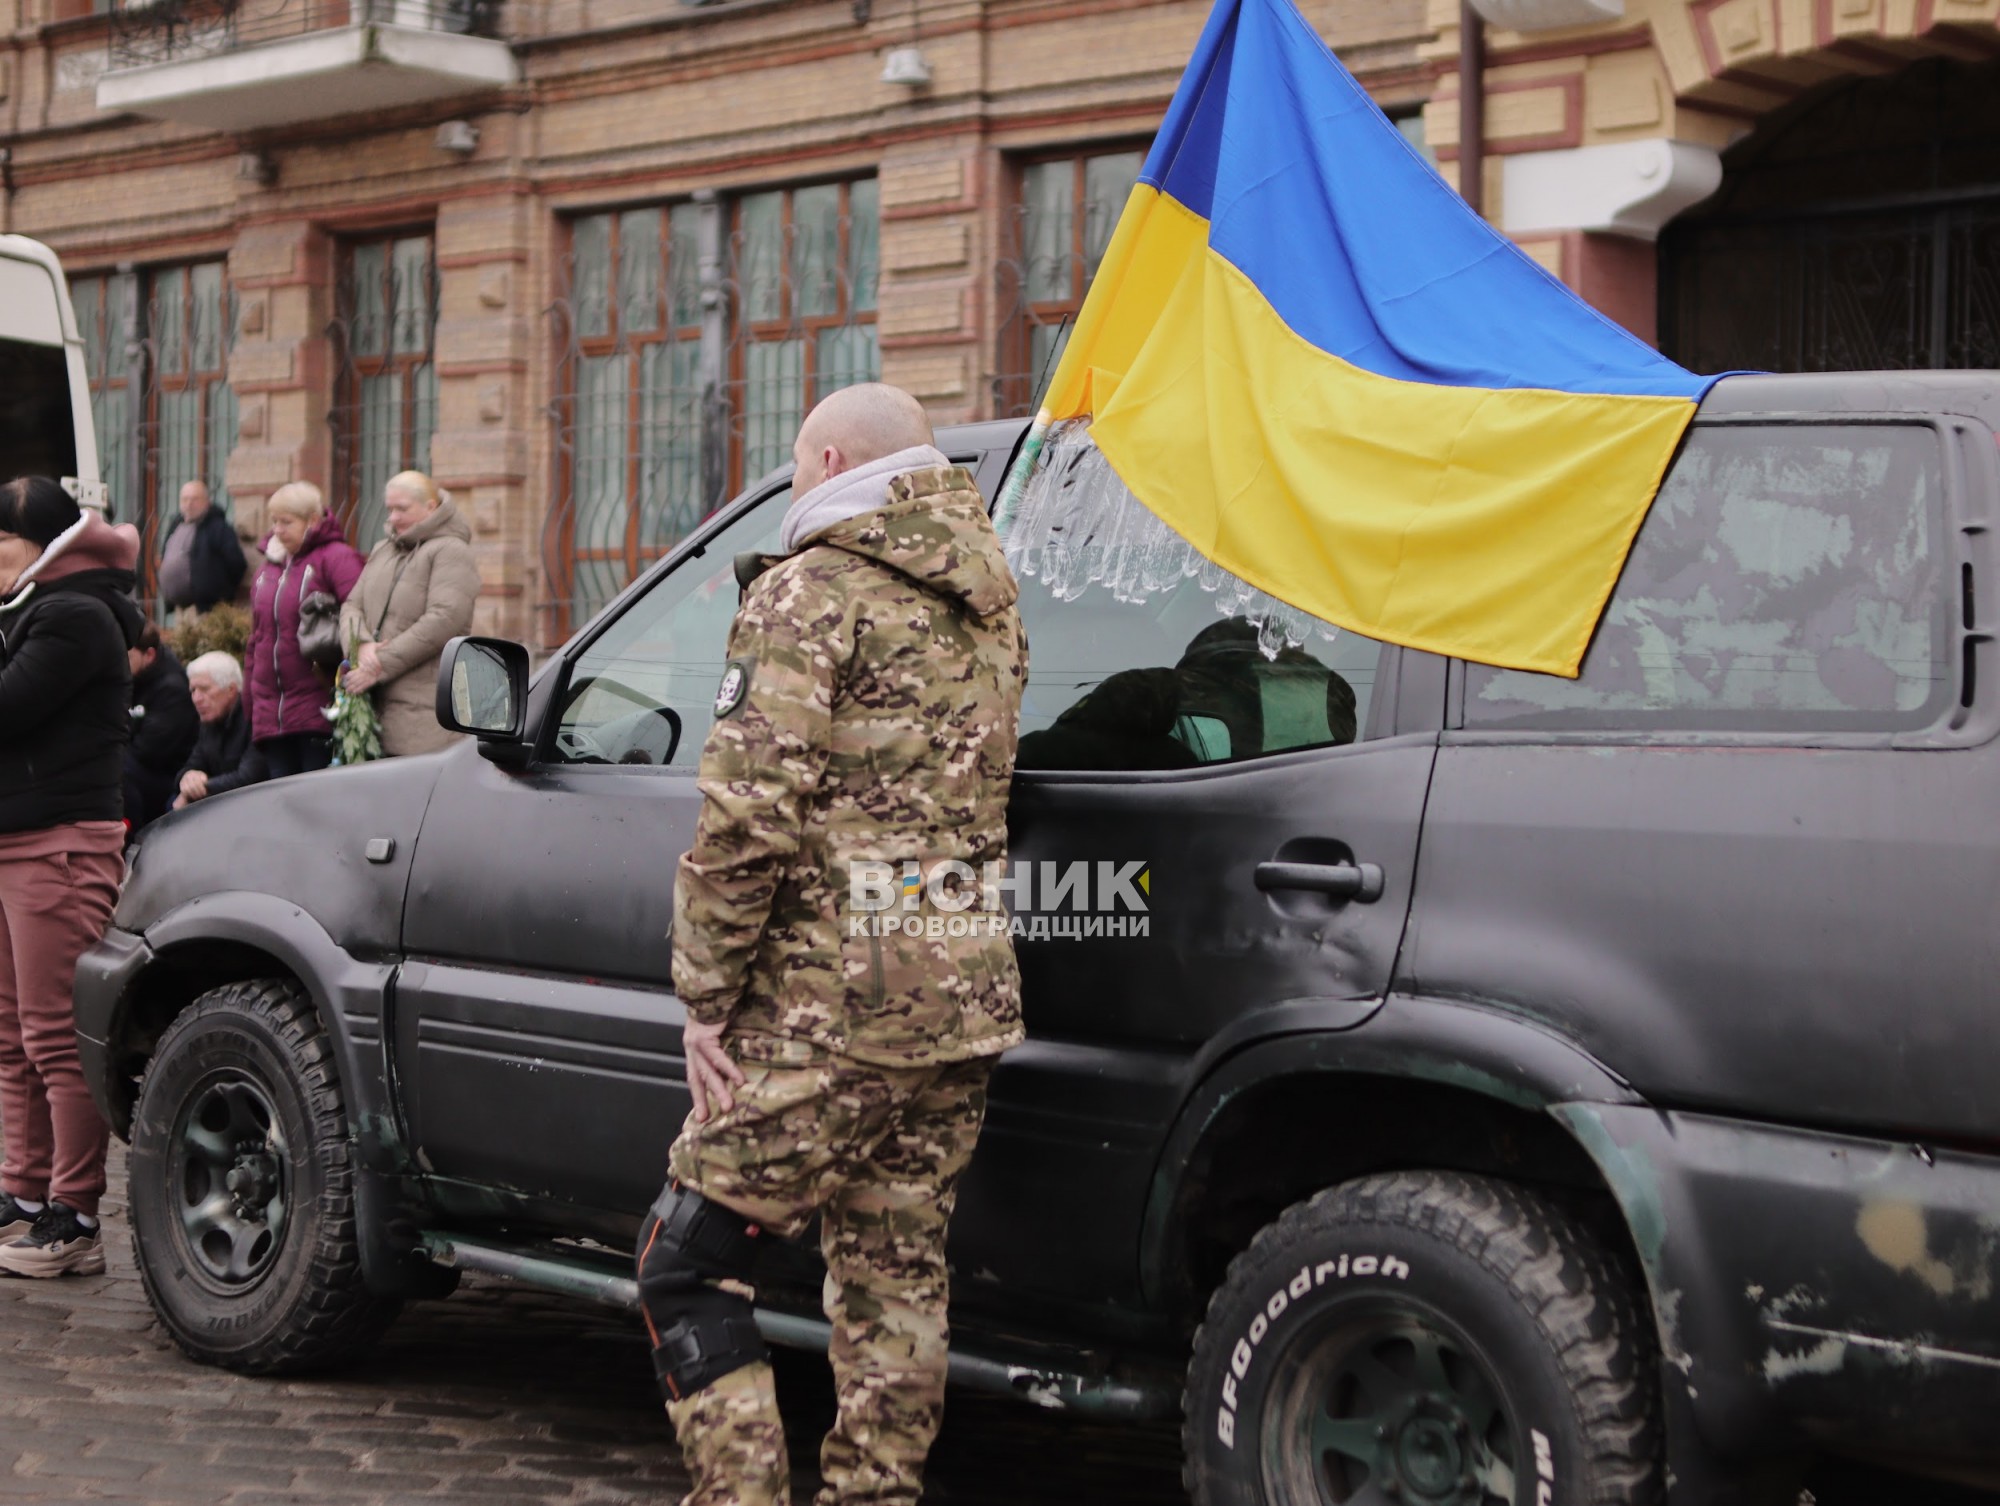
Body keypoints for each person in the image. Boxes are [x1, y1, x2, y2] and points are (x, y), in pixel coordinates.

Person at [636, 384, 1028, 1506]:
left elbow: (748, 815)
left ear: (824, 460)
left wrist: (703, 994)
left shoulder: (810, 590)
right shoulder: (990, 596)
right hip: (957, 990)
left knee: (685, 1264)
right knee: (893, 1275)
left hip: (829, 1007)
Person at [0, 478, 144, 1277]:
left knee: (56, 1036)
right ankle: (23, 1195)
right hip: (16, 839)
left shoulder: (74, 616)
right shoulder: (34, 611)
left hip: (57, 847)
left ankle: (76, 1214)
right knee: (13, 1034)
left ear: (41, 545)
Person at [339, 470, 479, 758]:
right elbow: (351, 605)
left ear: (430, 507)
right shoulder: (383, 550)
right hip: (374, 708)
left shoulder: (451, 551)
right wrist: (361, 644)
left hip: (423, 715)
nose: (393, 517)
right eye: (390, 509)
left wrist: (377, 665)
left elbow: (444, 619)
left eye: (402, 508)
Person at [244, 482, 365, 779]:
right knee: (280, 802)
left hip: (317, 705)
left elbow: (359, 615)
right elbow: (256, 639)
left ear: (312, 521)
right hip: (270, 713)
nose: (277, 530)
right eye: (274, 521)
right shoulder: (267, 568)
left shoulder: (336, 557)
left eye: (287, 522)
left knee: (314, 797)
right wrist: (251, 703)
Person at [122, 622, 199, 834]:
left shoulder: (172, 688)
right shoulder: (130, 678)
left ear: (149, 655)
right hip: (140, 763)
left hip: (166, 775)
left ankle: (134, 838)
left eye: (127, 658)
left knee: (119, 770)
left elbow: (150, 750)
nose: (120, 663)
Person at [174, 652, 265, 808]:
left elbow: (249, 777)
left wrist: (200, 788)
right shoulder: (210, 721)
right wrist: (188, 777)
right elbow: (194, 763)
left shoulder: (255, 718)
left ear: (231, 690)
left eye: (204, 689)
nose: (196, 698)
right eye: (193, 690)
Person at [156, 480, 247, 620]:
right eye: (185, 499)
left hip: (205, 611)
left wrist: (218, 591)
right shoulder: (176, 524)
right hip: (180, 609)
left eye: (195, 499)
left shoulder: (218, 528)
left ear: (207, 502)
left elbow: (237, 563)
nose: (189, 504)